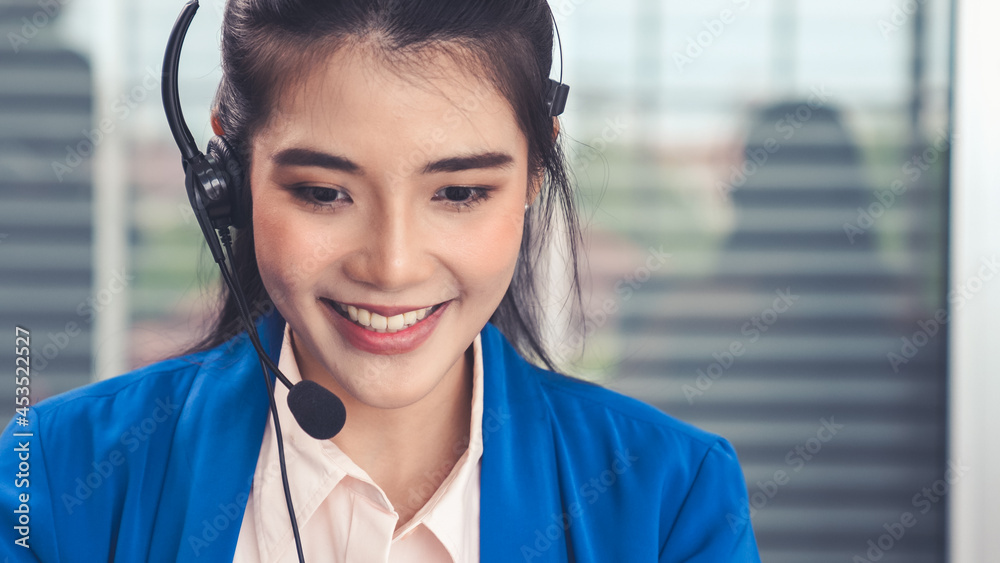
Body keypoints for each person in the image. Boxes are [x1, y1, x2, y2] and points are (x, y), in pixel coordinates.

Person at [0, 0, 761, 561]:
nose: (392, 266)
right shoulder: (56, 478)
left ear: (535, 170)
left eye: (459, 193)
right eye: (325, 192)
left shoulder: (672, 499)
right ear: (227, 172)